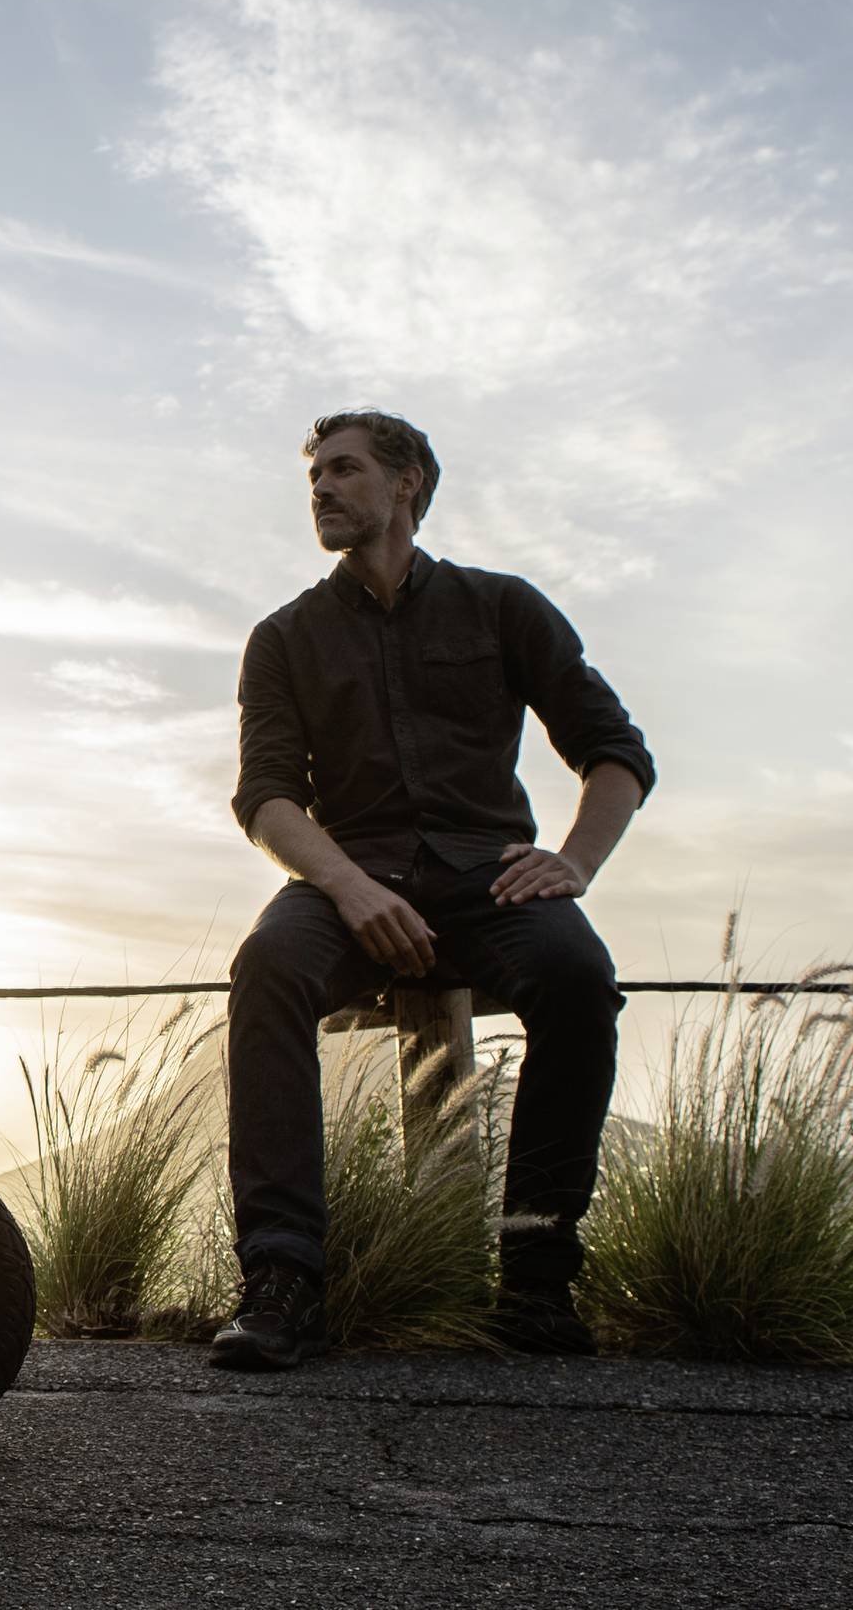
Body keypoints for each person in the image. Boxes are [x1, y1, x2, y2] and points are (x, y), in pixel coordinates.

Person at [210, 410, 654, 1369]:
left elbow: (615, 752)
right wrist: (349, 886)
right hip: (346, 875)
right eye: (314, 477)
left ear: (407, 481)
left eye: (343, 469)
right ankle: (282, 1280)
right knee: (268, 968)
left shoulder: (503, 607)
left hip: (490, 877)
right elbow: (269, 796)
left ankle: (535, 1281)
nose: (322, 489)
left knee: (578, 978)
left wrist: (573, 862)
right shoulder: (285, 636)